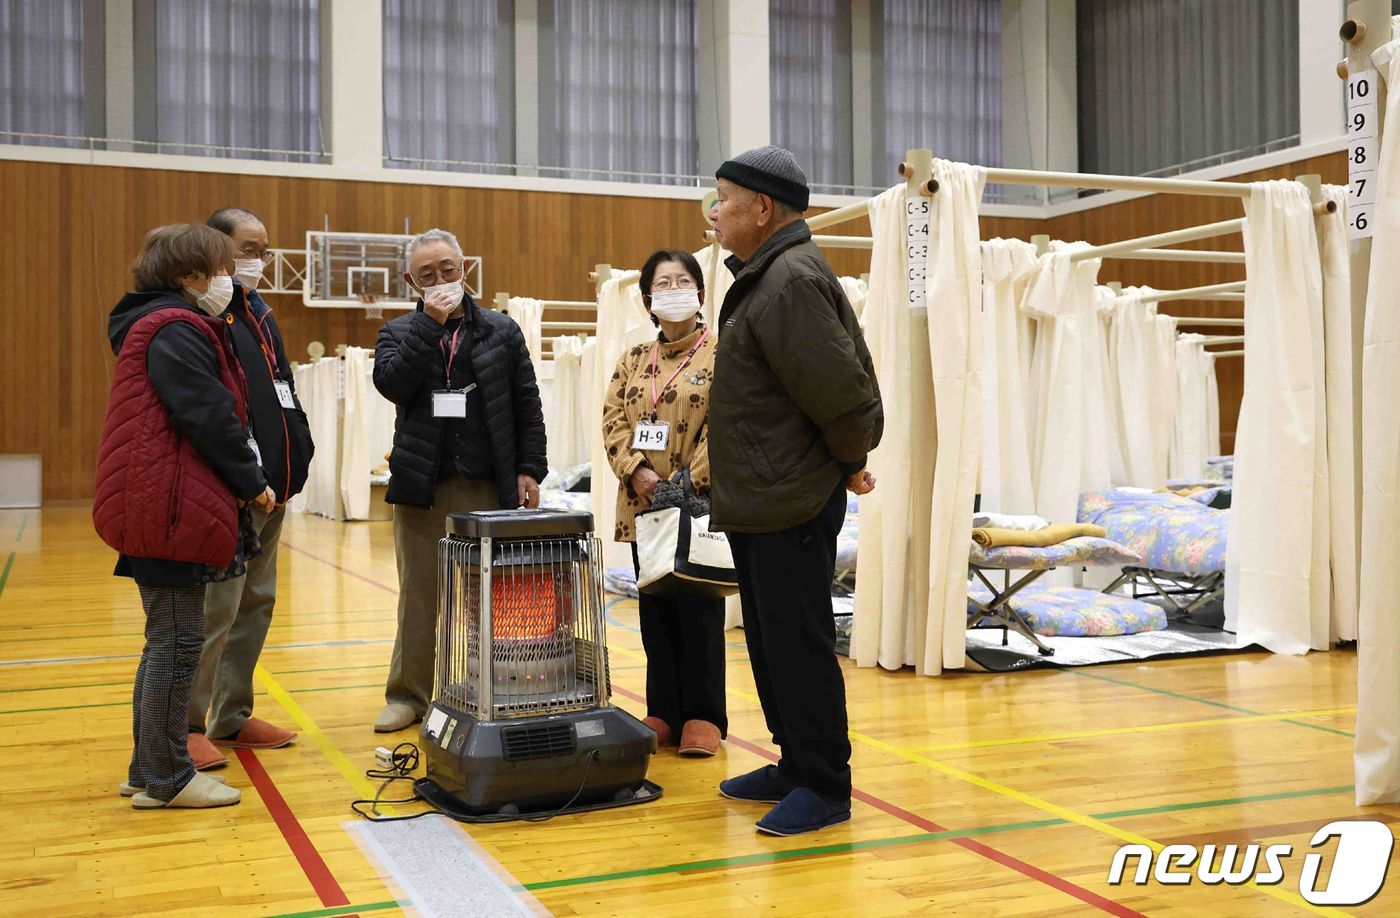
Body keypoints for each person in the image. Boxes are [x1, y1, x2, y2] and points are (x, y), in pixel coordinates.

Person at [706, 146, 883, 836]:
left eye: (722, 199)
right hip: (764, 497)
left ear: (762, 209)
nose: (714, 212)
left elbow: (845, 399)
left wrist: (846, 463)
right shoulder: (766, 276)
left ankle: (824, 782)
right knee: (771, 642)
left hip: (792, 499)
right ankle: (793, 762)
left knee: (799, 644)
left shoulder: (786, 282)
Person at [95, 223, 278, 809]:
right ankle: (168, 776)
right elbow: (207, 413)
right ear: (186, 276)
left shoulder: (156, 324)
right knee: (177, 644)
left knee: (165, 643)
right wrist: (252, 482)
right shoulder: (177, 327)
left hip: (156, 502)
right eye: (220, 268)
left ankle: (147, 766)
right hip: (169, 505)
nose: (228, 279)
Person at [372, 228, 548, 732]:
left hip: (487, 487)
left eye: (448, 270)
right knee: (419, 597)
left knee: (488, 597)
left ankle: (484, 688)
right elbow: (393, 385)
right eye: (427, 275)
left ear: (465, 268)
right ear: (412, 281)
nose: (441, 280)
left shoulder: (502, 330)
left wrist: (529, 469)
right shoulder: (398, 332)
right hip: (421, 488)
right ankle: (408, 695)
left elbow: (526, 405)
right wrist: (430, 323)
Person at [180, 208, 315, 771]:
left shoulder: (260, 311)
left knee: (257, 604)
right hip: (234, 490)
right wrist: (244, 477)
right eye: (247, 249)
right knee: (217, 610)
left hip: (274, 487)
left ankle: (231, 715)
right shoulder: (202, 314)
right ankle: (185, 726)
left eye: (264, 249)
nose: (257, 260)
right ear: (216, 249)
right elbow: (207, 410)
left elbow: (280, 387)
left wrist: (296, 458)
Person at [602, 249, 726, 757]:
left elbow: (727, 423)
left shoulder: (723, 352)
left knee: (699, 611)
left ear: (699, 292)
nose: (673, 290)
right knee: (655, 611)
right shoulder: (633, 358)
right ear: (648, 300)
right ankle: (664, 711)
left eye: (683, 281)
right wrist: (639, 473)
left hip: (698, 505)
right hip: (642, 507)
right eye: (663, 283)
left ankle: (704, 715)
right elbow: (613, 420)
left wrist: (684, 481)